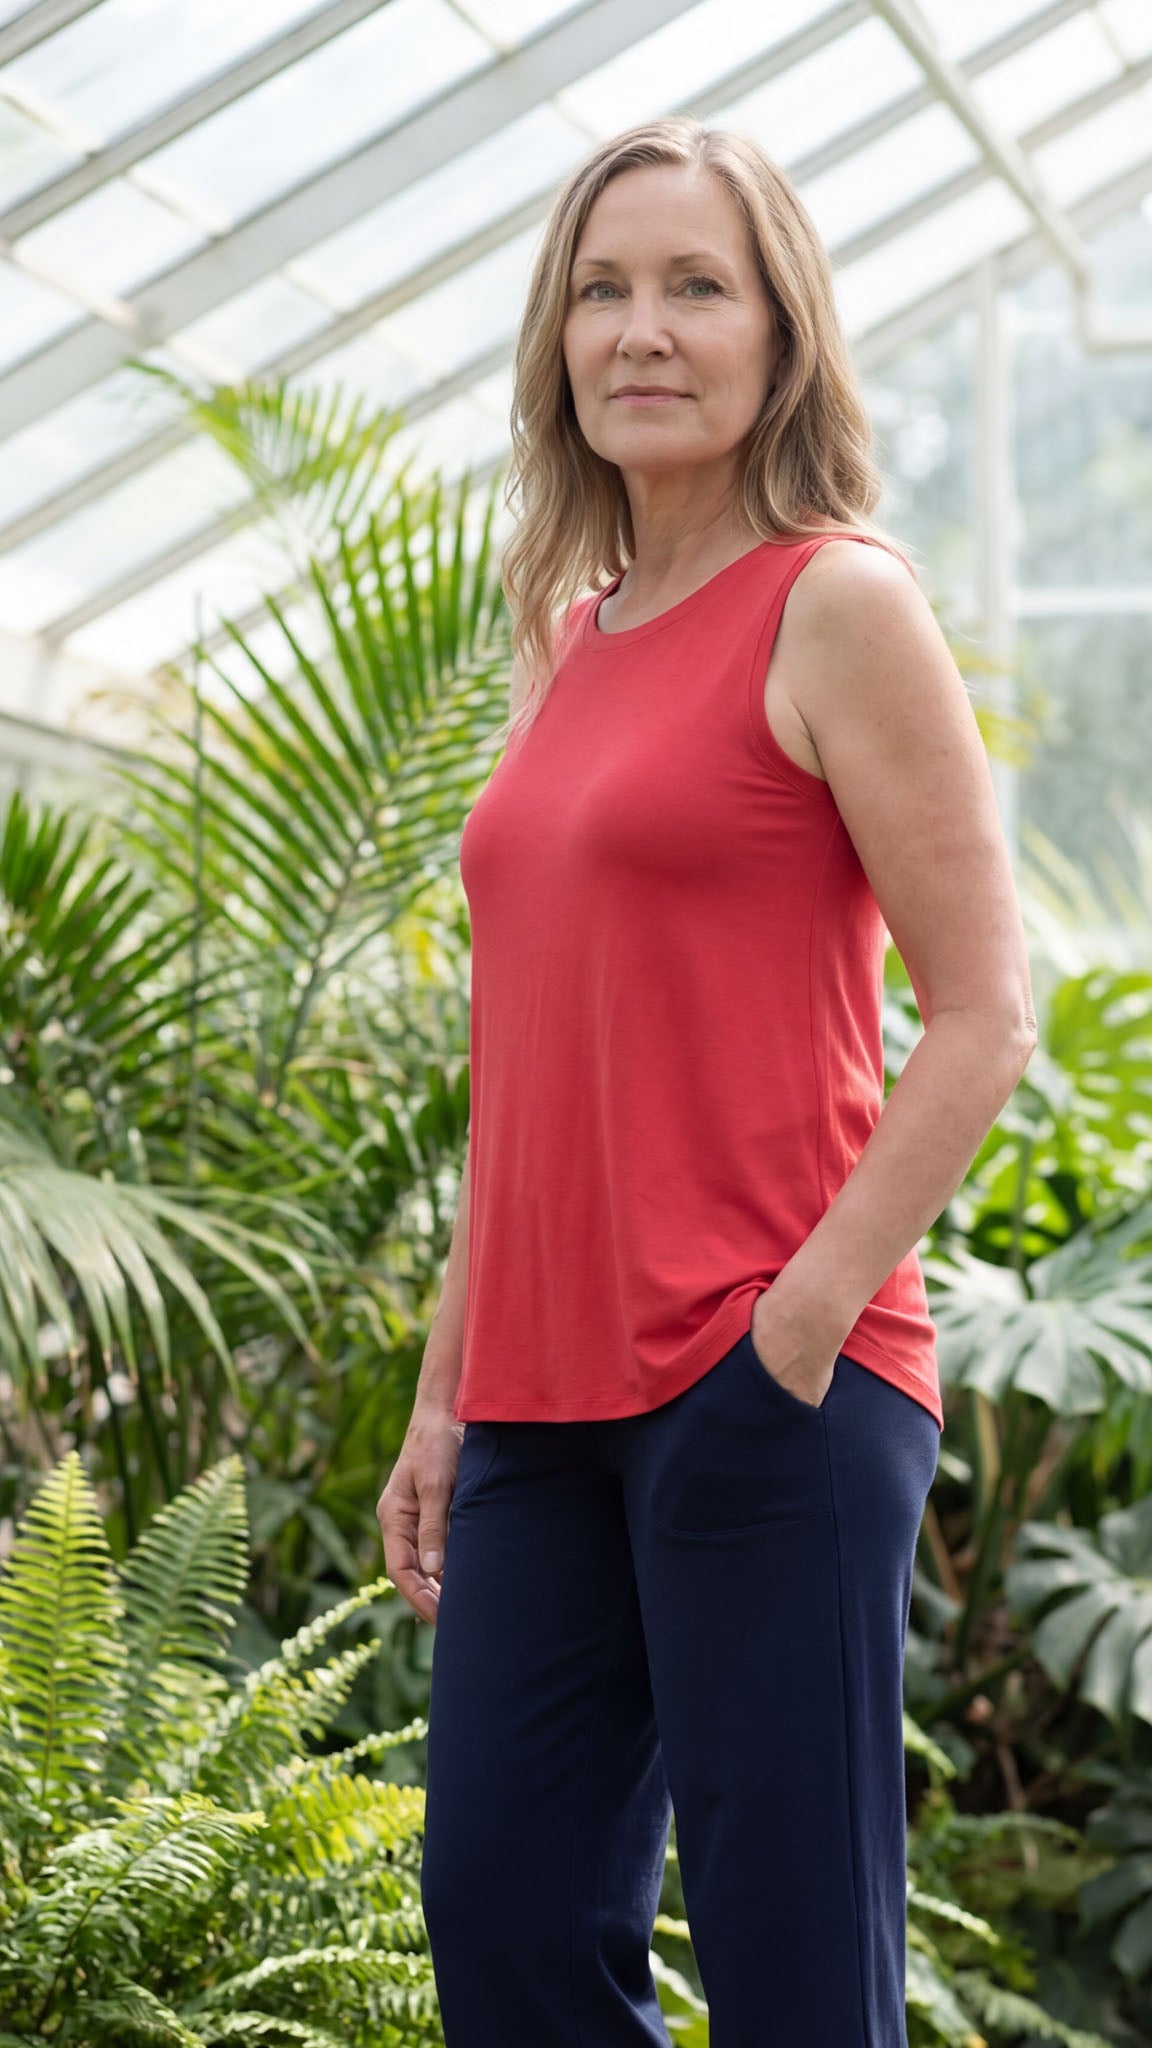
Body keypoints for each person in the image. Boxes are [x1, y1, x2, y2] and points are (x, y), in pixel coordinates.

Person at [378, 114, 1036, 2048]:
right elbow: (532, 1074)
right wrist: (444, 1391)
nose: (641, 331)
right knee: (497, 1915)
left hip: (763, 1385)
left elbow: (986, 1010)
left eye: (695, 288)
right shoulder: (565, 642)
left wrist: (804, 1322)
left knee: (793, 1971)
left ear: (779, 336)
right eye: (601, 290)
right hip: (535, 1400)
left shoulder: (837, 600)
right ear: (555, 344)